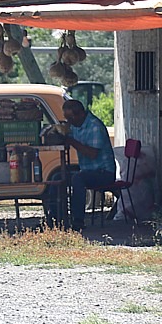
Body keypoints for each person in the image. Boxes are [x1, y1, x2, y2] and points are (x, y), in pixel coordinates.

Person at [47, 99, 115, 231]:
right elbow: (66, 139)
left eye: (70, 118)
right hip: (87, 170)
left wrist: (70, 140)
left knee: (78, 179)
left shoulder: (95, 126)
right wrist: (58, 133)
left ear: (79, 114)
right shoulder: (75, 125)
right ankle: (55, 218)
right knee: (57, 178)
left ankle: (78, 220)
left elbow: (92, 153)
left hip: (103, 172)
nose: (69, 122)